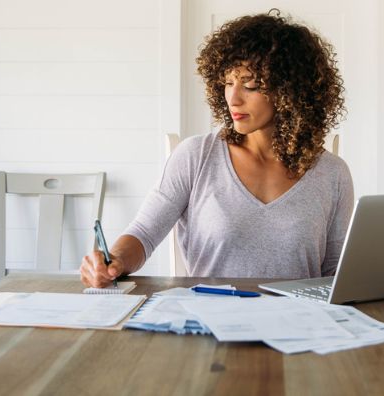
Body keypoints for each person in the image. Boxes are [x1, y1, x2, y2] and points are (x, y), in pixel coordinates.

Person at [81, 10, 353, 288]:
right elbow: (143, 234)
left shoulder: (332, 174)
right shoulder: (196, 156)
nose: (233, 99)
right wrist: (113, 260)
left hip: (300, 324)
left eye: (250, 85)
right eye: (228, 83)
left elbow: (335, 273)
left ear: (291, 91)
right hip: (209, 321)